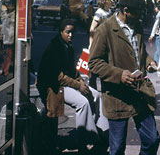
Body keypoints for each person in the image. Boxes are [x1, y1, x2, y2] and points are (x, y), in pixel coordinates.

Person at [89, 0, 160, 155]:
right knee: (117, 147)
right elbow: (93, 63)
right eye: (139, 12)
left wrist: (149, 61)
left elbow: (140, 52)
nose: (142, 15)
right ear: (126, 10)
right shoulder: (105, 30)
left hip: (140, 93)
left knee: (152, 139)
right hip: (117, 97)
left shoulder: (138, 26)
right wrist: (119, 74)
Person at [37, 19, 109, 154]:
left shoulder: (67, 46)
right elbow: (58, 76)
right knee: (82, 103)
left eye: (72, 32)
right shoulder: (54, 47)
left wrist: (81, 81)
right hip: (54, 87)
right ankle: (85, 141)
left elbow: (72, 70)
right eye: (67, 32)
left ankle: (102, 132)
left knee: (96, 95)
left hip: (66, 83)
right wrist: (78, 85)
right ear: (61, 32)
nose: (71, 35)